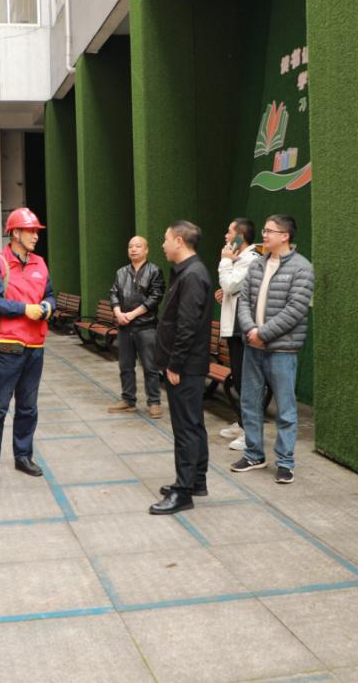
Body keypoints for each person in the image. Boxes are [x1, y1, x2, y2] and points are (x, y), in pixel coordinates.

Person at [232, 214, 315, 484]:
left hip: (282, 350)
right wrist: (251, 331)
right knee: (249, 402)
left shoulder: (302, 268)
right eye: (264, 230)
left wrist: (263, 334)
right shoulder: (257, 265)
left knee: (285, 409)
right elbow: (244, 301)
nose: (264, 235)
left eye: (269, 231)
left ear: (285, 236)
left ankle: (285, 462)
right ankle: (254, 455)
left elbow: (295, 310)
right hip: (253, 346)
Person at [0, 207, 56, 485]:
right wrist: (25, 309)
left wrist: (47, 306)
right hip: (7, 347)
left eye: (36, 231)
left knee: (28, 407)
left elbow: (50, 294)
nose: (36, 236)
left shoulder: (40, 263)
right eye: (31, 231)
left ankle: (23, 456)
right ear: (15, 233)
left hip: (36, 347)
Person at [150, 220, 213, 515]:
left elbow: (187, 325)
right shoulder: (187, 272)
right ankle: (196, 480)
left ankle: (184, 491)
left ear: (178, 241)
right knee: (193, 424)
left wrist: (175, 364)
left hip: (185, 366)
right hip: (188, 364)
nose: (162, 245)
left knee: (186, 428)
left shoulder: (192, 275)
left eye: (165, 239)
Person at [215, 218, 262, 450]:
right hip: (233, 327)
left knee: (246, 382)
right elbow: (232, 289)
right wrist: (225, 291)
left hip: (243, 328)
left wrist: (225, 261)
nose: (226, 236)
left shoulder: (251, 259)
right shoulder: (240, 259)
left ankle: (250, 433)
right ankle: (244, 423)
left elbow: (231, 285)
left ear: (240, 236)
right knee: (239, 379)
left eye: (229, 232)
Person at [107, 236, 165, 419]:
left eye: (138, 246)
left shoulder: (154, 271)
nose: (133, 249)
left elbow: (155, 298)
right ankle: (128, 399)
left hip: (146, 327)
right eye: (130, 246)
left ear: (146, 250)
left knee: (150, 367)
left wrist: (131, 315)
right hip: (124, 327)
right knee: (125, 366)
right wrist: (118, 313)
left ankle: (154, 402)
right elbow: (114, 293)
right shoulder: (121, 272)